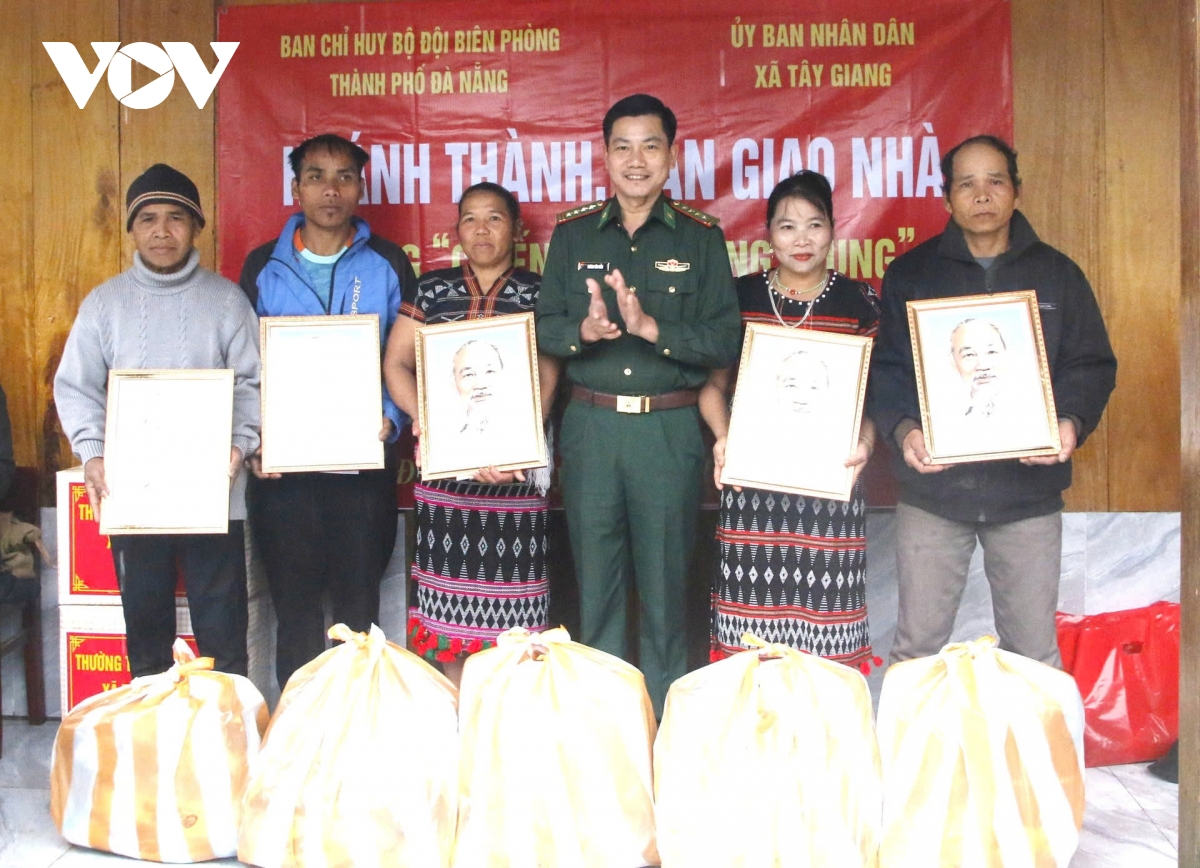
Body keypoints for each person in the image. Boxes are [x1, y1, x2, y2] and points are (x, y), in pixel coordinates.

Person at [868, 135, 1117, 666]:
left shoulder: (1058, 274)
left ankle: (1035, 730)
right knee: (916, 652)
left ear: (1017, 191)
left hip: (1027, 496)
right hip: (934, 495)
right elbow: (887, 370)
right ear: (946, 198)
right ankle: (912, 731)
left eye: (995, 181)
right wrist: (905, 430)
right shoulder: (912, 275)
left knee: (1033, 656)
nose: (982, 195)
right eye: (967, 184)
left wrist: (1069, 421)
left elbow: (1090, 363)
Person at [535, 94, 742, 715]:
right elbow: (542, 327)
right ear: (605, 156)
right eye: (622, 147)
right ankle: (607, 735)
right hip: (592, 427)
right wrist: (583, 331)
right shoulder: (572, 234)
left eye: (650, 146)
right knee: (595, 592)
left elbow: (724, 340)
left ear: (671, 157)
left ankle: (663, 729)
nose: (636, 160)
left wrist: (653, 329)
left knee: (665, 593)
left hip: (668, 430)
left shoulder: (701, 238)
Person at [54, 164, 259, 676]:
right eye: (148, 219)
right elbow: (75, 386)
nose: (162, 231)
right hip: (135, 494)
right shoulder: (104, 304)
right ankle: (151, 723)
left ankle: (226, 723)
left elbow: (253, 383)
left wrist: (238, 445)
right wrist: (93, 452)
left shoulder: (227, 301)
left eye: (176, 218)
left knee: (223, 635)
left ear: (197, 227)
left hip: (214, 492)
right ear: (131, 229)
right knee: (146, 638)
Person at [240, 133, 415, 689]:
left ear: (360, 188)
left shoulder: (388, 262)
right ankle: (299, 726)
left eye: (344, 177)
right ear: (296, 188)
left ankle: (354, 724)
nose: (330, 190)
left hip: (362, 467)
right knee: (293, 611)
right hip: (285, 475)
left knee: (358, 612)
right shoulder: (262, 265)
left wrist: (392, 417)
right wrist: (256, 439)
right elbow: (246, 366)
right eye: (316, 176)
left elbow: (408, 356)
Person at [701, 171, 881, 670]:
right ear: (769, 235)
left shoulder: (859, 302)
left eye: (814, 225)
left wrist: (865, 445)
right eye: (787, 226)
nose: (802, 239)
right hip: (753, 493)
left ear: (833, 231)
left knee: (826, 648)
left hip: (830, 494)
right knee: (751, 649)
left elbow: (870, 402)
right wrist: (723, 438)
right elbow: (713, 387)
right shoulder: (740, 298)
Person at [383, 182, 559, 686]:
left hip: (515, 477)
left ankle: (507, 722)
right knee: (450, 617)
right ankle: (462, 716)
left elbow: (548, 376)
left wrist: (519, 444)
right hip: (447, 480)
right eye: (470, 219)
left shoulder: (540, 292)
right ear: (456, 229)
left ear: (517, 230)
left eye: (494, 218)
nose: (481, 230)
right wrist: (426, 418)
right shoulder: (431, 290)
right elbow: (396, 364)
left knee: (516, 619)